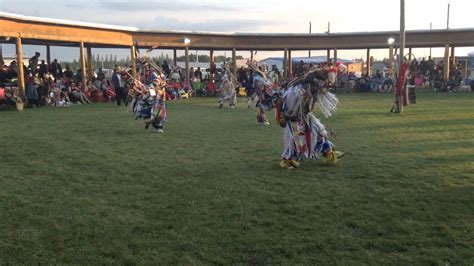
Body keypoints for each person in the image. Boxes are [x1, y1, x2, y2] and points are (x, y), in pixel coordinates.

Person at [277, 66, 344, 169]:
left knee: (319, 132)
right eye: (323, 83)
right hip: (292, 118)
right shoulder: (297, 91)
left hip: (305, 116)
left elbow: (310, 104)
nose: (323, 86)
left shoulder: (310, 90)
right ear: (315, 82)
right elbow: (284, 102)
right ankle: (288, 160)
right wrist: (282, 117)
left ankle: (329, 153)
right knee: (294, 139)